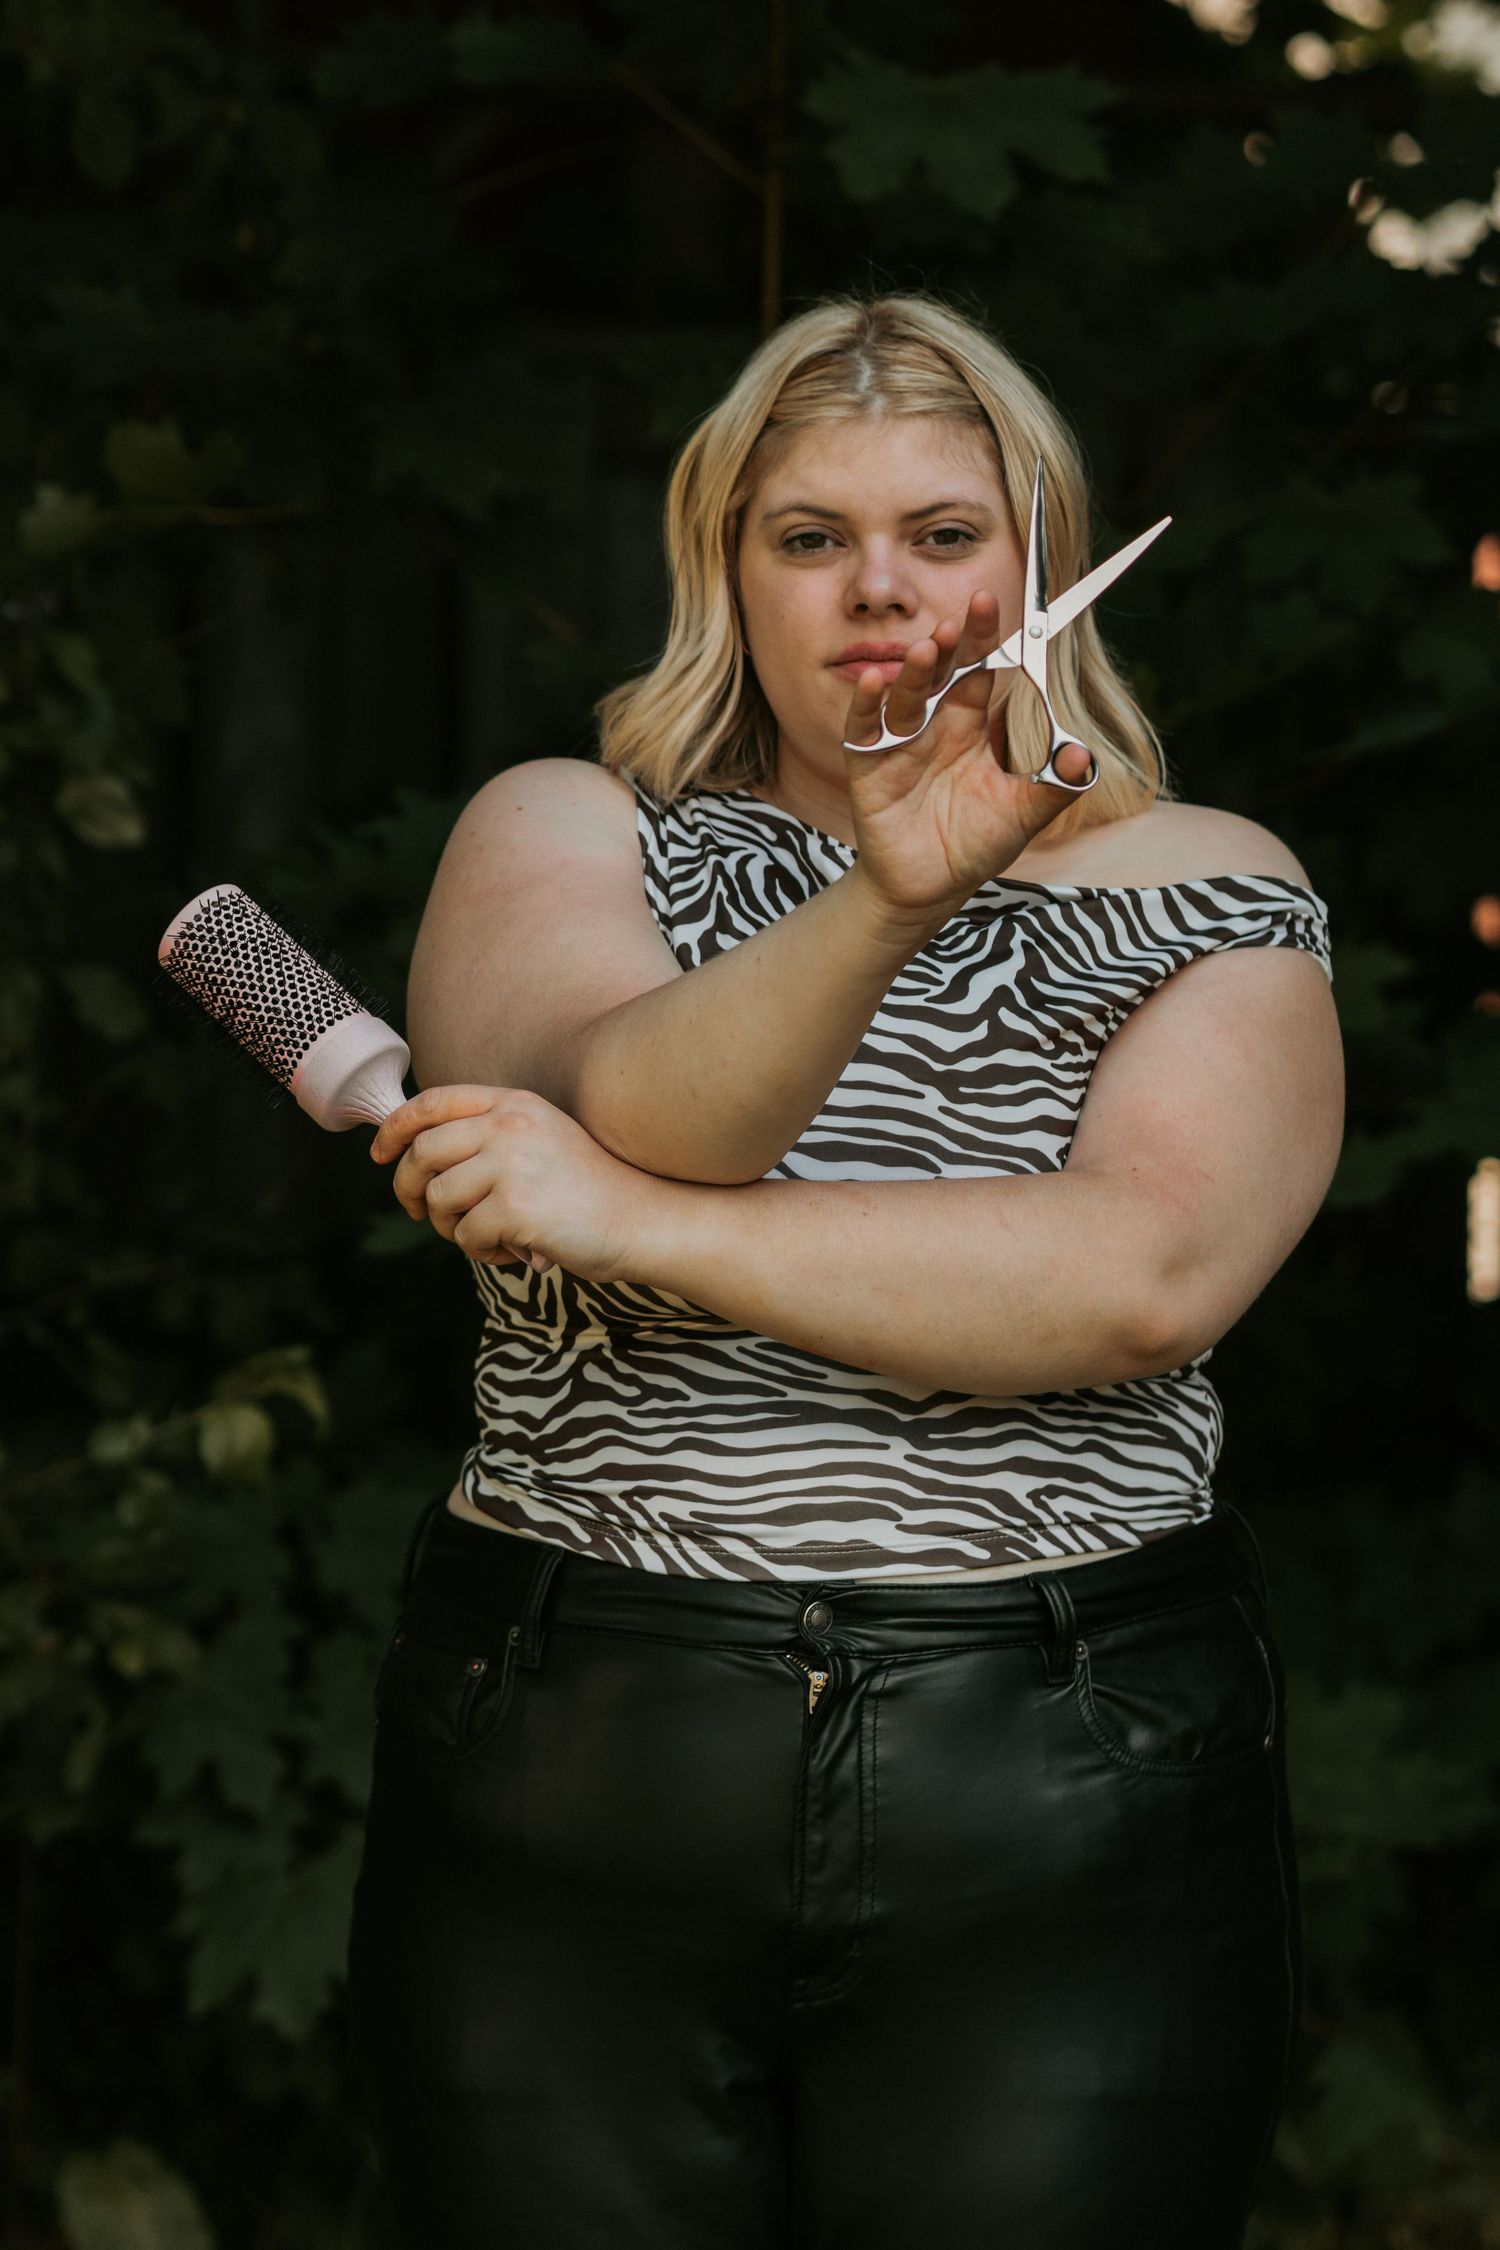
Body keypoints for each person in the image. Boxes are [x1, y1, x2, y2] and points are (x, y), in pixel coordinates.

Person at [345, 290, 1344, 2249]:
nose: (879, 591)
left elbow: (1143, 1275)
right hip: (578, 1741)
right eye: (810, 538)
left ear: (1042, 561)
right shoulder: (573, 831)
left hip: (1064, 1765)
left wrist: (633, 1228)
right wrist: (891, 891)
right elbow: (640, 1094)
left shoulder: (1206, 876)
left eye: (945, 537)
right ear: (728, 571)